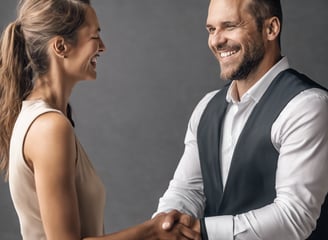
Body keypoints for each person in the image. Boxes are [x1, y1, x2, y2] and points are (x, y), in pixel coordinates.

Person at [0, 0, 201, 239]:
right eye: (95, 36)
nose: (103, 47)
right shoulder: (49, 127)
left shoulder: (42, 119)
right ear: (61, 46)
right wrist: (153, 231)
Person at [154, 0, 328, 239]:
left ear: (271, 29)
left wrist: (198, 230)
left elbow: (294, 217)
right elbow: (188, 189)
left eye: (230, 26)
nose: (216, 40)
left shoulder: (308, 106)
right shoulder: (206, 107)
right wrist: (166, 222)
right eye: (211, 29)